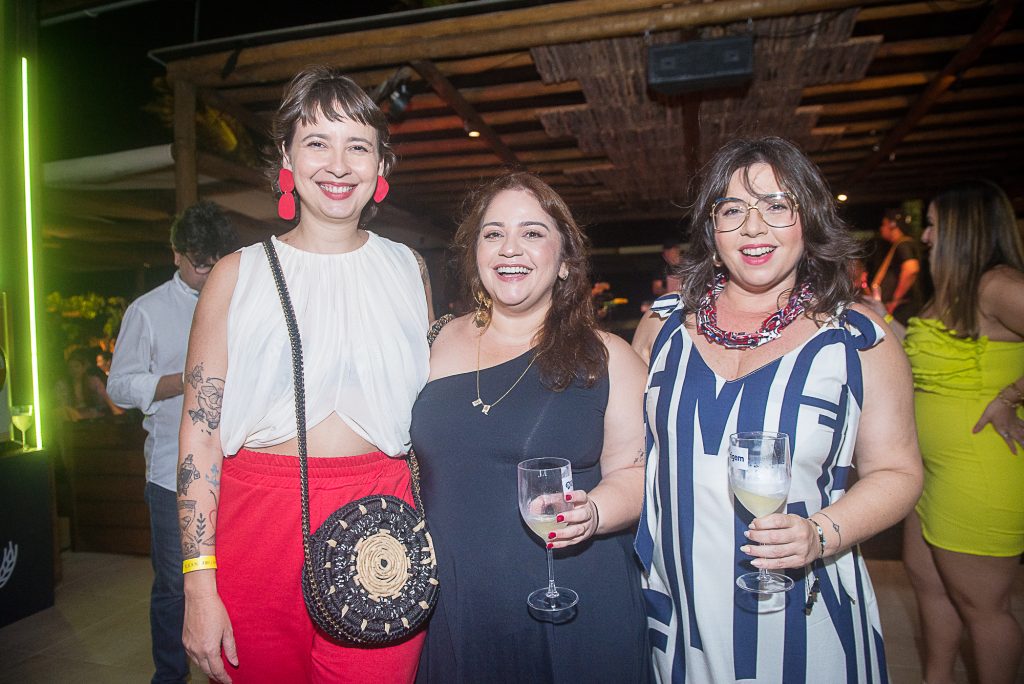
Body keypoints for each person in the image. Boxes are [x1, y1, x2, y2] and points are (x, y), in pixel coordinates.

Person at [632, 136, 923, 683]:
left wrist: (821, 532)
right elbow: (629, 454)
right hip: (680, 606)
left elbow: (899, 472)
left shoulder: (856, 339)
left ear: (809, 219)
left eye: (776, 206)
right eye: (732, 210)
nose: (753, 227)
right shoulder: (661, 328)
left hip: (804, 606)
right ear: (711, 228)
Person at [177, 66, 432, 684]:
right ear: (287, 157)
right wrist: (198, 586)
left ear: (381, 165)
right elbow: (199, 437)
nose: (338, 165)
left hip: (383, 518)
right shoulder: (236, 275)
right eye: (317, 142)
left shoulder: (410, 269)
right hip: (258, 523)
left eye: (357, 146)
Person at [410, 172, 650, 682]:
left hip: (570, 605)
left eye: (533, 232)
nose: (509, 248)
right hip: (454, 606)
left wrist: (594, 512)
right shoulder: (431, 343)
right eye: (493, 233)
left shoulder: (608, 357)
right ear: (476, 253)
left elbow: (636, 472)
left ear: (564, 262)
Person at [896, 180, 1024, 684]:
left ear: (964, 229)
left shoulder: (999, 285)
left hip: (979, 472)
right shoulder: (954, 292)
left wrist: (1010, 397)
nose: (926, 237)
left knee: (983, 607)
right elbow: (935, 360)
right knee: (930, 587)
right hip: (932, 471)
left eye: (932, 225)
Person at [107, 200, 237, 684]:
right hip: (169, 472)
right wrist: (185, 380)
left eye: (215, 261)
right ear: (176, 254)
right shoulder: (147, 311)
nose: (208, 272)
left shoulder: (238, 295)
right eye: (199, 263)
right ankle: (169, 676)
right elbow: (120, 386)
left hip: (234, 465)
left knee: (230, 581)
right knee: (174, 586)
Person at [869, 208, 922, 324]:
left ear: (893, 225)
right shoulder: (900, 244)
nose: (881, 228)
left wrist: (895, 300)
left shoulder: (903, 244)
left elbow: (911, 269)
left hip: (901, 309)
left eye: (884, 224)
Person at [55, 346, 123, 421]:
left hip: (91, 413)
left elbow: (105, 396)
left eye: (76, 366)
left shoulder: (93, 381)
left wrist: (115, 410)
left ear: (83, 368)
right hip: (71, 415)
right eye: (71, 367)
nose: (74, 370)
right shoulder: (62, 385)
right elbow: (62, 405)